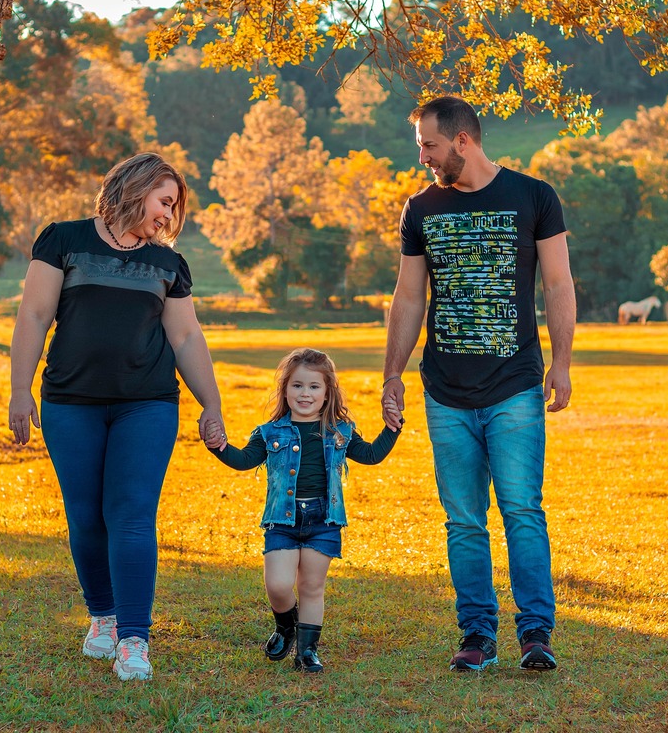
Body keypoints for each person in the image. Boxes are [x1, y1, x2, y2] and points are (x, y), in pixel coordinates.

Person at [8, 152, 227, 682]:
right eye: (164, 202)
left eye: (174, 208)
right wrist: (19, 389)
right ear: (136, 188)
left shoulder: (168, 264)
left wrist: (212, 404)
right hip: (70, 402)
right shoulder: (63, 240)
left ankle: (133, 639)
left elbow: (185, 336)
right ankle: (102, 618)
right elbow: (35, 314)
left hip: (147, 404)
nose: (168, 216)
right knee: (85, 517)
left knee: (130, 517)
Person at [381, 95, 576, 672]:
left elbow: (559, 285)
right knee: (463, 519)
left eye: (429, 145)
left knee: (521, 511)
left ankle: (536, 634)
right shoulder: (420, 209)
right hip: (445, 391)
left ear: (463, 141)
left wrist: (560, 363)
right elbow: (409, 296)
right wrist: (392, 372)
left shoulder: (533, 197)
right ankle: (476, 634)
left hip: (514, 385)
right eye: (421, 146)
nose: (423, 157)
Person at [207, 348, 401, 673]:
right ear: (285, 390)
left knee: (312, 586)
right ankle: (285, 624)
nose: (305, 393)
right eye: (297, 386)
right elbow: (243, 461)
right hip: (282, 520)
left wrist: (391, 428)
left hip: (324, 520)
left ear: (327, 393)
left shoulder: (341, 431)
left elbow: (370, 455)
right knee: (279, 586)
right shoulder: (269, 433)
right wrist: (219, 447)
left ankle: (307, 652)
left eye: (314, 387)